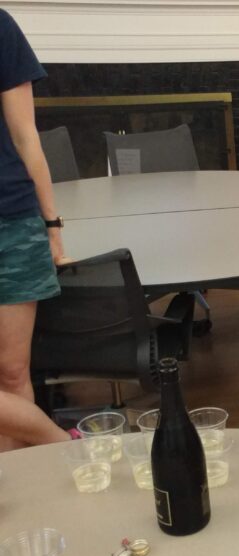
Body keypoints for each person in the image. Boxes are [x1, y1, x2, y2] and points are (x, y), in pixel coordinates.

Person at [0, 9, 72, 451]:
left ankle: (16, 491)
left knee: (11, 373)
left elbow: (26, 136)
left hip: (11, 221)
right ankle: (66, 447)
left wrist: (52, 227)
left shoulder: (0, 27)